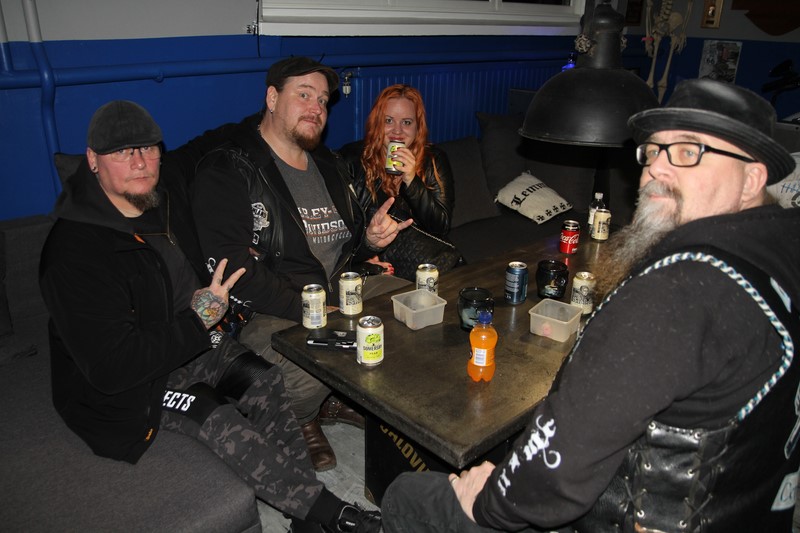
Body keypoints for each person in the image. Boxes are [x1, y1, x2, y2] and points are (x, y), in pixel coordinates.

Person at [381, 79, 800, 532]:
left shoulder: (678, 292)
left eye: (688, 151)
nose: (657, 168)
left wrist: (486, 500)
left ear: (752, 178)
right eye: (653, 151)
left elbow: (555, 473)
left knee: (409, 494)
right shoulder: (778, 261)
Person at [39, 100, 381, 533]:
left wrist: (277, 114)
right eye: (122, 152)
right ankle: (333, 516)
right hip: (130, 382)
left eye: (148, 148)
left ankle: (302, 518)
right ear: (92, 159)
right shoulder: (74, 251)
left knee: (264, 379)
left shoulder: (162, 189)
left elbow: (211, 141)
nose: (140, 162)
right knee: (212, 411)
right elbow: (111, 368)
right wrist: (199, 320)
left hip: (191, 340)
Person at [191, 57, 412, 471]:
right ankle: (304, 416)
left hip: (337, 290)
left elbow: (342, 249)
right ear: (272, 98)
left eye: (323, 101)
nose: (316, 108)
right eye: (304, 95)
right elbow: (234, 271)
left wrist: (368, 240)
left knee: (413, 306)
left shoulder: (328, 164)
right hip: (270, 310)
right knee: (313, 365)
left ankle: (336, 398)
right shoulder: (229, 168)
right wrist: (313, 312)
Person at [339, 84, 456, 280]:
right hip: (378, 260)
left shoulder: (433, 159)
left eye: (407, 122)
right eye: (388, 120)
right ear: (377, 123)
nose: (397, 131)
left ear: (418, 127)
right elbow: (342, 228)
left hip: (421, 257)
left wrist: (412, 180)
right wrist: (363, 257)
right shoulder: (352, 159)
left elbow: (441, 226)